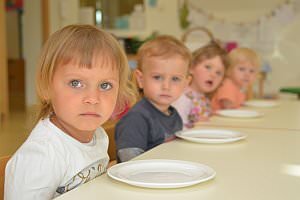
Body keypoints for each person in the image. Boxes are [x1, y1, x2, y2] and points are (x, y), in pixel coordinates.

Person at [5, 24, 136, 199]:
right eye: (76, 83)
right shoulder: (41, 156)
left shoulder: (98, 135)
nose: (93, 98)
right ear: (46, 87)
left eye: (105, 85)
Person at [115, 35, 191, 162]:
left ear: (185, 84)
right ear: (140, 79)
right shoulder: (136, 119)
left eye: (175, 79)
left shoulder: (174, 115)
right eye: (157, 77)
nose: (166, 86)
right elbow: (130, 162)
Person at [173, 41, 228, 128]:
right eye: (208, 67)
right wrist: (193, 124)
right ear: (191, 67)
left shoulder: (204, 98)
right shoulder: (182, 97)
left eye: (218, 73)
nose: (213, 75)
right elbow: (175, 126)